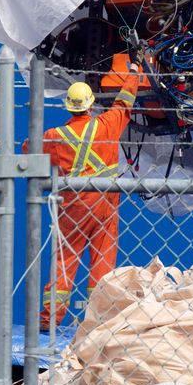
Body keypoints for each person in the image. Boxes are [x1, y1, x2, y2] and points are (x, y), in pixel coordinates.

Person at [33, 51, 142, 330]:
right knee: (103, 260)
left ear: (70, 107)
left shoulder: (54, 136)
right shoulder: (107, 124)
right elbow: (124, 103)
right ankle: (99, 320)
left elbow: (28, 151)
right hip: (106, 203)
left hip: (73, 206)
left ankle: (49, 322)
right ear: (91, 106)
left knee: (65, 261)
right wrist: (135, 71)